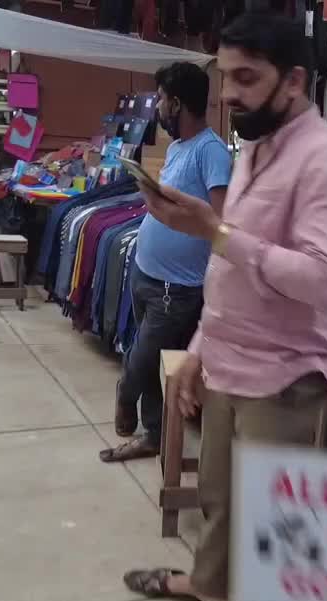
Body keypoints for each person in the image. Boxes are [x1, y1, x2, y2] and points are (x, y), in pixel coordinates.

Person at [120, 13, 327, 601]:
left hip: (285, 374)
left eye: (246, 78)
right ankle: (210, 584)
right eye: (225, 76)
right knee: (223, 498)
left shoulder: (326, 162)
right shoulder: (257, 146)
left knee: (282, 524)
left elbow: (322, 282)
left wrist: (215, 232)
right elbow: (231, 276)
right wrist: (198, 353)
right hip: (227, 358)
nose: (228, 93)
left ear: (296, 80)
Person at [101, 61, 231, 463]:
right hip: (146, 272)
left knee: (137, 364)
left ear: (177, 103)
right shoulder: (177, 147)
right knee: (144, 356)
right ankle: (153, 434)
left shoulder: (213, 152)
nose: (156, 106)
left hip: (178, 289)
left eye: (160, 98)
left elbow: (221, 224)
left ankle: (125, 397)